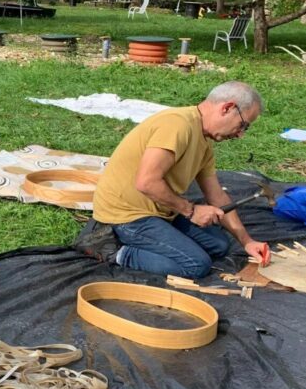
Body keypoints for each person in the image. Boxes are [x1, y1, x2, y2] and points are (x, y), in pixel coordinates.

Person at [82, 81, 268, 278]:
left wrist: (247, 241)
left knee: (220, 246)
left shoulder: (204, 142)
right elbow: (146, 182)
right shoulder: (177, 125)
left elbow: (217, 195)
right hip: (127, 215)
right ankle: (114, 251)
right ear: (227, 108)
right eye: (243, 125)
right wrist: (191, 210)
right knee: (196, 265)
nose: (240, 134)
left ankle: (155, 240)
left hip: (160, 210)